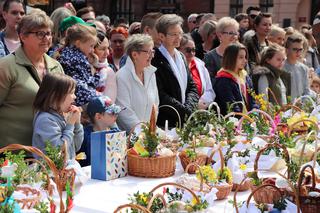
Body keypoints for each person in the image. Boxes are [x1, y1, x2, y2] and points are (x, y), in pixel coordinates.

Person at [0, 11, 64, 147]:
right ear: (23, 36)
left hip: (47, 152)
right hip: (13, 153)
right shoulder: (6, 66)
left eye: (49, 33)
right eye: (40, 34)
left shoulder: (55, 66)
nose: (46, 38)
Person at [152, 14, 199, 127]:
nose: (178, 38)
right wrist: (185, 111)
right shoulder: (155, 59)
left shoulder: (181, 57)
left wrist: (189, 108)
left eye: (180, 34)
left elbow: (192, 86)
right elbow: (160, 94)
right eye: (174, 34)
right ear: (161, 36)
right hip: (166, 122)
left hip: (184, 119)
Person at [32, 73, 83, 160]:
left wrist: (77, 123)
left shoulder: (63, 115)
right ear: (55, 95)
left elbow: (76, 146)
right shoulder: (45, 120)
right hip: (49, 172)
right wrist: (70, 124)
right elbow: (60, 150)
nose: (75, 97)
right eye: (71, 92)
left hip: (66, 171)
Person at [116, 34, 159, 132]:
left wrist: (151, 131)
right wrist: (141, 133)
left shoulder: (151, 73)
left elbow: (155, 104)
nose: (152, 55)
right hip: (129, 138)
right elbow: (124, 111)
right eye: (148, 52)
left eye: (152, 51)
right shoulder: (122, 77)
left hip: (148, 136)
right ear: (135, 54)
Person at [57, 23, 99, 107]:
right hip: (79, 101)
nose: (92, 50)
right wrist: (96, 76)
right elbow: (87, 84)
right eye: (91, 46)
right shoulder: (79, 59)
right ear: (78, 43)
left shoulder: (64, 52)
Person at [213, 43, 257, 115]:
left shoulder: (245, 76)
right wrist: (245, 120)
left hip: (248, 119)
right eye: (241, 57)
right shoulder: (223, 79)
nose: (245, 60)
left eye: (245, 57)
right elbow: (231, 106)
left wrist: (255, 111)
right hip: (233, 121)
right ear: (231, 58)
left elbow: (252, 100)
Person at [79, 96, 121, 166]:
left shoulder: (116, 132)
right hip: (90, 173)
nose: (116, 115)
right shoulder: (85, 135)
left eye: (116, 111)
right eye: (112, 113)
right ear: (98, 116)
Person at [179, 34, 215, 109]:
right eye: (188, 50)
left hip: (200, 110)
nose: (192, 53)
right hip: (183, 110)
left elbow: (209, 90)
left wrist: (202, 102)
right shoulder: (175, 67)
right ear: (178, 50)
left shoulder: (200, 66)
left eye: (194, 50)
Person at [204, 17, 239, 82]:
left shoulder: (241, 54)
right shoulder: (210, 57)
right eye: (231, 33)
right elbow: (210, 81)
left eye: (236, 33)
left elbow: (247, 79)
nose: (234, 37)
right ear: (219, 35)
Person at [283, 33, 310, 100]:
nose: (298, 52)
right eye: (295, 49)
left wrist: (304, 106)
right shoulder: (281, 67)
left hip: (300, 107)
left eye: (300, 49)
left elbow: (306, 91)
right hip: (285, 107)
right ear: (287, 50)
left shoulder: (304, 68)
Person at [93, 31, 117, 101]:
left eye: (108, 48)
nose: (107, 53)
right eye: (102, 49)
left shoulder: (108, 72)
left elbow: (110, 103)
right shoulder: (82, 68)